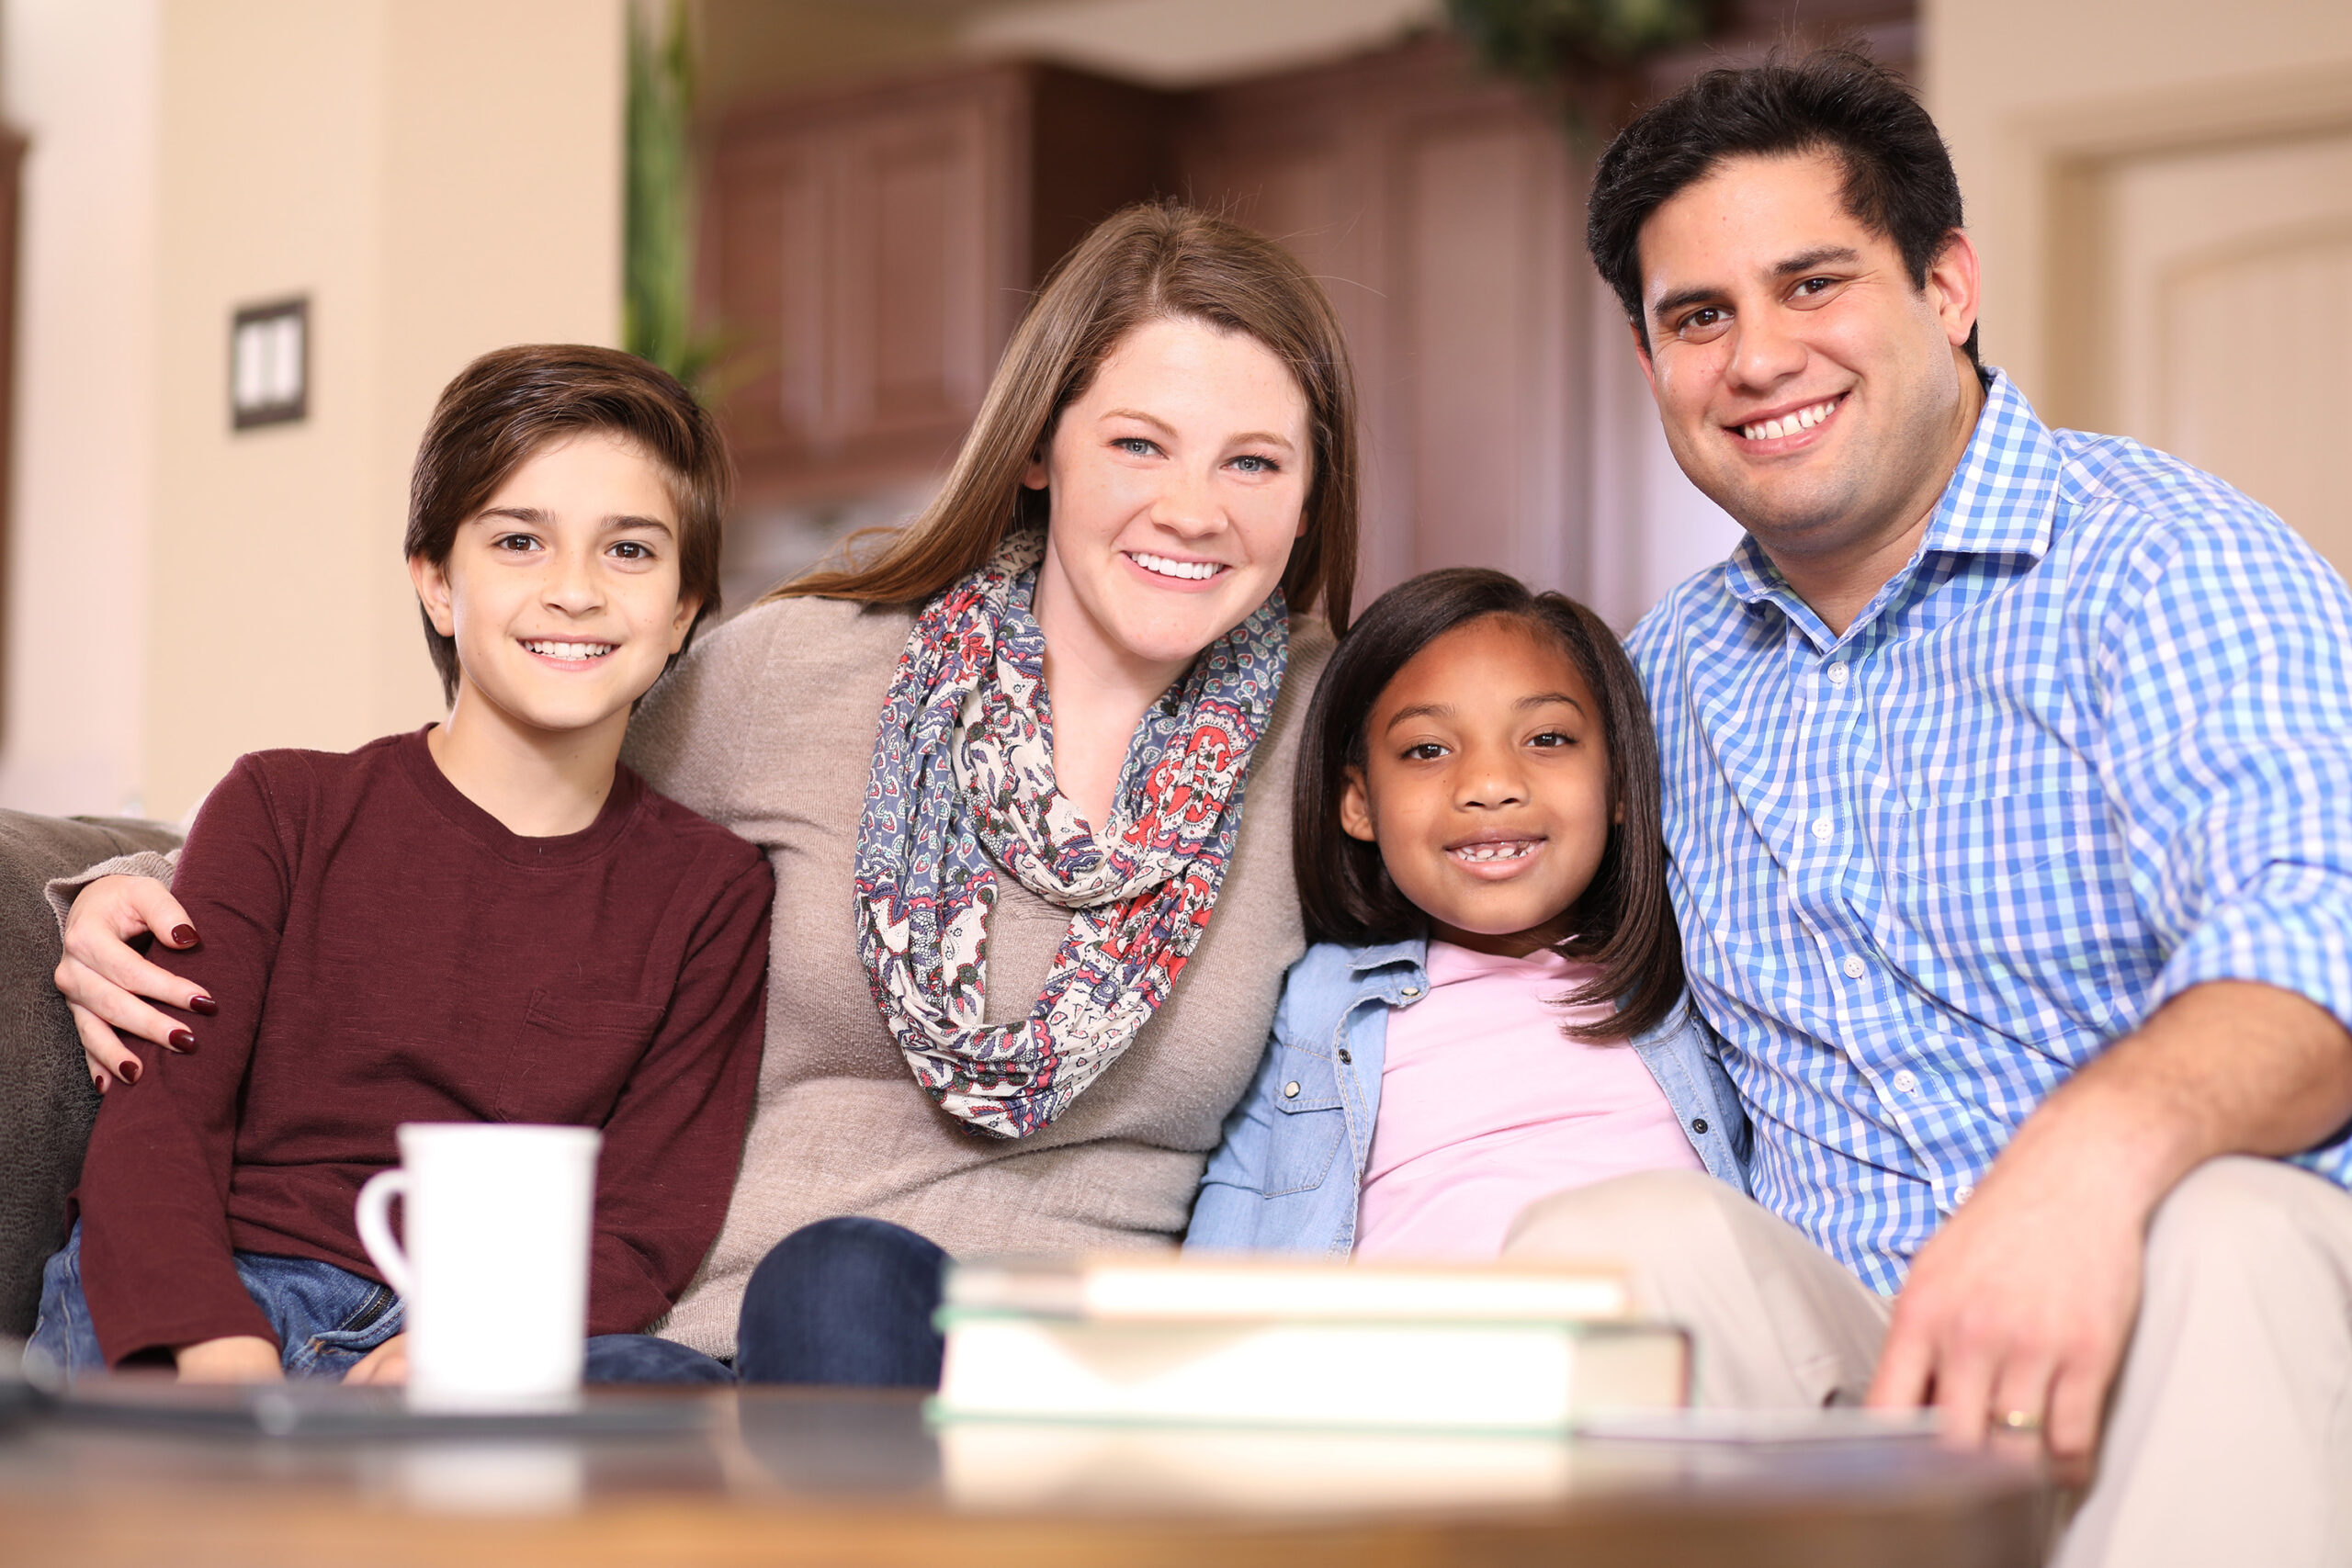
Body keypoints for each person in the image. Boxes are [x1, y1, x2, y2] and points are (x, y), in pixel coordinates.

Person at [51, 203, 1361, 1388]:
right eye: (1138, 443)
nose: (1192, 509)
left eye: (1254, 462)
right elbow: (506, 788)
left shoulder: (1338, 733)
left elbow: (1486, 869)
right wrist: (132, 886)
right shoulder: (806, 670)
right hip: (755, 1333)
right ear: (1040, 450)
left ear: (1311, 495)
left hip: (1070, 1375)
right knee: (826, 1288)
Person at [1498, 48, 2352, 1567]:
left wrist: (2083, 1165)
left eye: (1812, 283)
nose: (1759, 358)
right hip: (1856, 1366)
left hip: (2192, 1331)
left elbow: (2319, 944)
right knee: (1608, 1246)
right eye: (1700, 316)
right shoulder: (1658, 679)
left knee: (2225, 1221)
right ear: (1650, 361)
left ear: (1946, 285)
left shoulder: (2170, 566)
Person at [28, 345, 773, 1386]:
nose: (575, 590)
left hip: (479, 1327)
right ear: (436, 583)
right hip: (219, 1286)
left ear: (685, 606)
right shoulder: (282, 806)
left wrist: (476, 1340)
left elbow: (645, 1225)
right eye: (519, 541)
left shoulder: (714, 892)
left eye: (630, 550)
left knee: (679, 1388)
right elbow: (159, 1131)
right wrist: (221, 1352)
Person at [1187, 568, 1746, 1258]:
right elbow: (1239, 1209)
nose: (1489, 785)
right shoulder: (1318, 1004)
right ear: (1359, 803)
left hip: (1663, 1316)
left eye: (1547, 738)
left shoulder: (1694, 972)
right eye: (1428, 750)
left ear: (1620, 782)